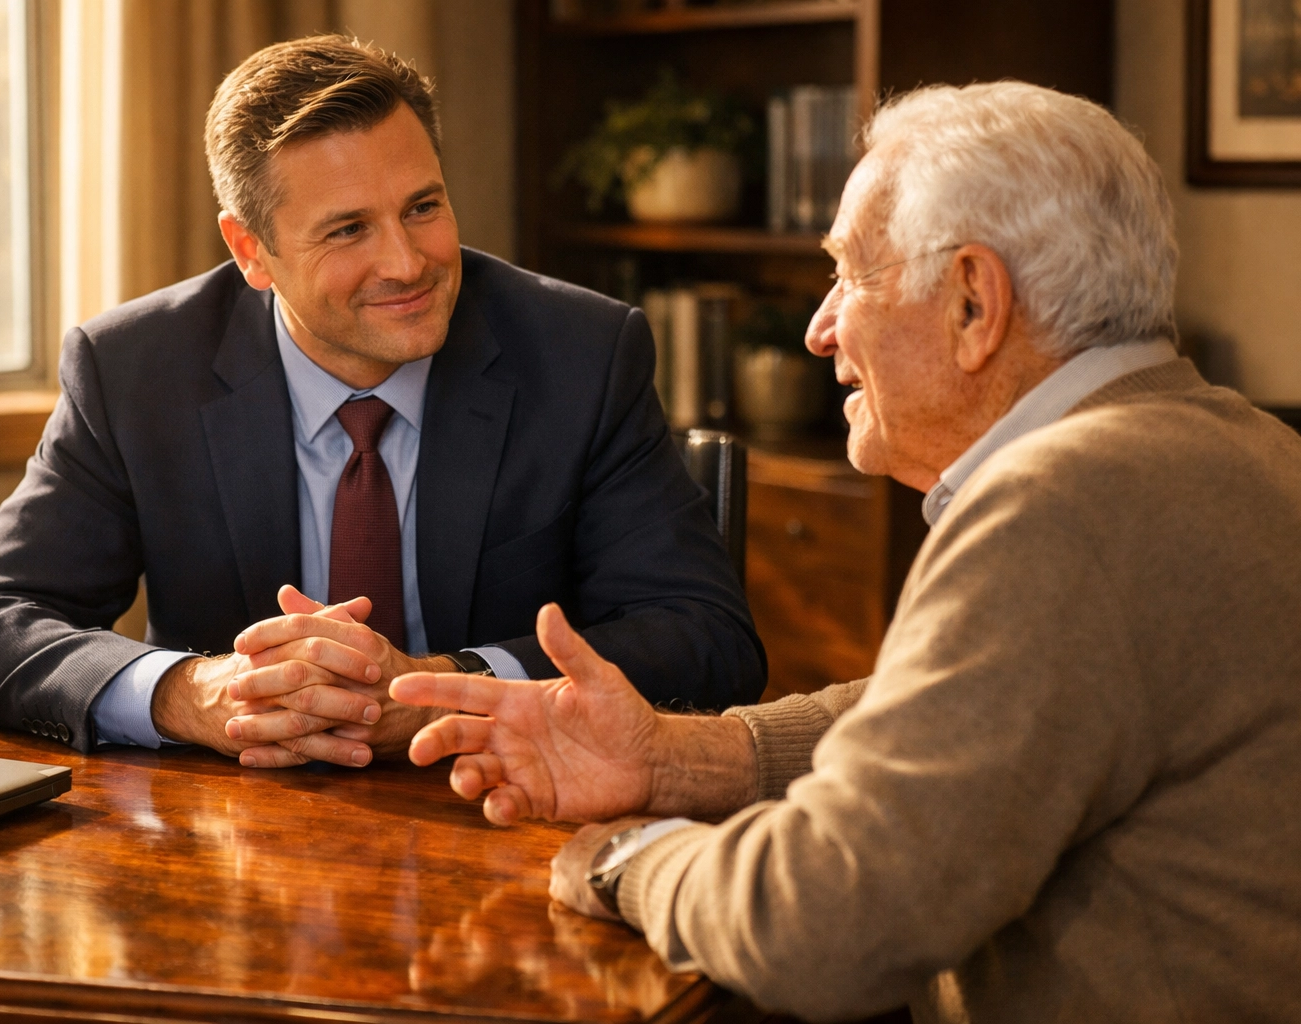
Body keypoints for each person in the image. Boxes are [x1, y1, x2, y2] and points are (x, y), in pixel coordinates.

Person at [390, 82, 1301, 1023]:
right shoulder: (1250, 450)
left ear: (974, 302)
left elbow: (820, 927)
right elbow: (953, 714)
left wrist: (627, 858)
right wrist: (672, 759)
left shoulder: (1061, 509)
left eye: (851, 276)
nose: (819, 328)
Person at [0, 36, 763, 769]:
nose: (408, 263)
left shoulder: (582, 353)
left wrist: (447, 690)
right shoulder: (135, 371)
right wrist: (194, 693)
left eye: (423, 208)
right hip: (233, 835)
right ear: (252, 251)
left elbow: (706, 636)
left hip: (509, 808)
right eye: (349, 229)